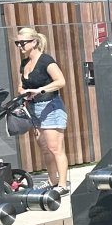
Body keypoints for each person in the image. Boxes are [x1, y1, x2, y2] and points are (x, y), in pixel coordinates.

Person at [15, 27, 70, 194]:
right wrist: (24, 93)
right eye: (17, 43)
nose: (19, 46)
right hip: (33, 108)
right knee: (44, 148)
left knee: (55, 148)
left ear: (34, 42)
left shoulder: (46, 60)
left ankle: (62, 185)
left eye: (22, 43)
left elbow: (61, 81)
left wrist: (40, 90)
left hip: (50, 106)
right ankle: (52, 181)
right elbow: (21, 85)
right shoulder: (24, 63)